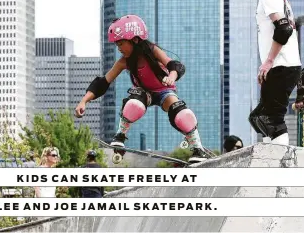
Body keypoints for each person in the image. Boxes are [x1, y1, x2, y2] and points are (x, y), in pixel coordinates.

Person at [74, 14, 208, 163]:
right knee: (134, 103)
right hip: (144, 94)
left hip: (164, 91)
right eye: (117, 45)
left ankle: (198, 149)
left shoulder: (153, 50)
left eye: (121, 44)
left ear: (135, 40)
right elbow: (102, 83)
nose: (119, 49)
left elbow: (175, 65)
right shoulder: (123, 62)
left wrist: (172, 76)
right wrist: (84, 101)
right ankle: (120, 135)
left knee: (181, 113)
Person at [240, 0, 302, 145]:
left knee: (271, 119)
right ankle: (271, 157)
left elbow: (283, 29)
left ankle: (283, 164)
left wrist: (268, 62)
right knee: (258, 117)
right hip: (281, 66)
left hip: (282, 66)